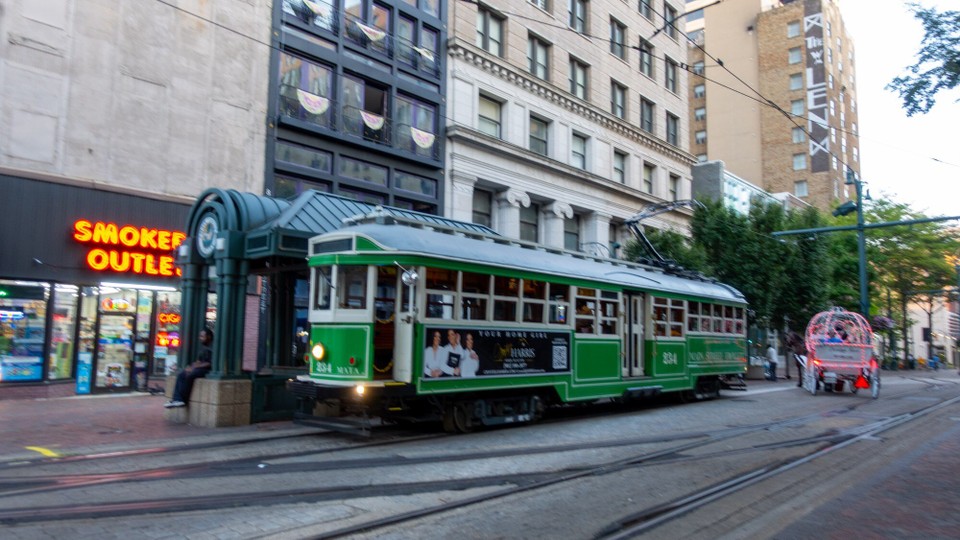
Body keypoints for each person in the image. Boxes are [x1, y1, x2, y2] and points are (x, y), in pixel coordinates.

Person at [165, 328, 213, 408]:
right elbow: (198, 361)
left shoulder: (212, 348)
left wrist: (195, 367)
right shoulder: (203, 348)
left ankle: (182, 400)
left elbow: (209, 363)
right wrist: (191, 366)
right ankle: (176, 399)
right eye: (200, 336)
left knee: (190, 375)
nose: (200, 338)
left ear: (208, 337)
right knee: (181, 374)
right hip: (199, 368)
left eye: (202, 336)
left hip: (208, 370)